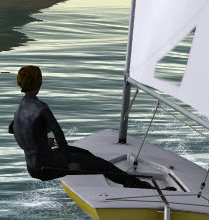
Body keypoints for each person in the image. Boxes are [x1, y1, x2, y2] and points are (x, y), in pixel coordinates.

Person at [9, 65, 156, 189]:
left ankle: (93, 172)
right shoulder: (41, 108)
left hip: (33, 167)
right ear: (39, 82)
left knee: (84, 153)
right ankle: (141, 187)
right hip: (49, 167)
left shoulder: (20, 109)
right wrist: (67, 164)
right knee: (103, 165)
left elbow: (16, 130)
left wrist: (41, 141)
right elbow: (59, 135)